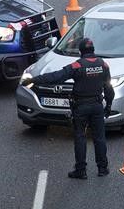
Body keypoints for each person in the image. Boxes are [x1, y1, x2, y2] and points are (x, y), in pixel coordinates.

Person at [25, 38, 114, 179]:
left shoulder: (77, 66)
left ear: (81, 51)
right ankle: (102, 168)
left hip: (81, 107)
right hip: (97, 106)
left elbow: (55, 77)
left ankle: (81, 170)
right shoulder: (103, 65)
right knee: (99, 138)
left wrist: (33, 80)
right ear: (93, 50)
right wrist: (108, 105)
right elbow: (108, 88)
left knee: (80, 137)